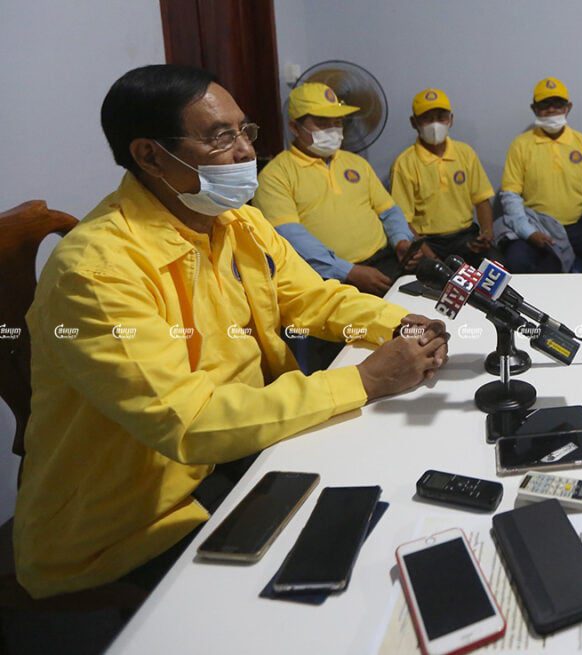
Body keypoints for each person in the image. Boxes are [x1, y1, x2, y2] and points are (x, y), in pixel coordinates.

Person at [14, 65, 449, 602]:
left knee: (390, 501)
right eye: (220, 137)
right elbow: (190, 422)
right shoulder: (97, 271)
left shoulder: (235, 220)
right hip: (144, 519)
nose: (246, 152)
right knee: (332, 587)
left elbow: (311, 299)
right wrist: (365, 380)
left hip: (240, 452)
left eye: (246, 131)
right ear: (150, 155)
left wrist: (399, 323)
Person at [254, 82, 432, 297]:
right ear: (294, 127)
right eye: (322, 122)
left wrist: (401, 241)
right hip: (328, 279)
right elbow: (290, 237)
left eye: (337, 122)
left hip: (387, 261)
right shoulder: (275, 176)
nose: (332, 129)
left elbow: (389, 210)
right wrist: (348, 271)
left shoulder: (357, 163)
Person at [494, 77, 582, 274]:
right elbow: (511, 196)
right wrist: (530, 233)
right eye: (545, 105)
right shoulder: (521, 145)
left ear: (568, 107)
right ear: (534, 108)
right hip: (536, 225)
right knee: (517, 260)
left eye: (558, 105)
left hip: (578, 226)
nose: (552, 110)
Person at [391, 88, 500, 267]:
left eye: (441, 117)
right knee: (430, 281)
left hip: (465, 236)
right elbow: (403, 221)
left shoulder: (465, 153)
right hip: (427, 242)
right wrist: (432, 259)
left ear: (451, 119)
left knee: (496, 265)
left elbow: (482, 200)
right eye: (427, 118)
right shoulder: (404, 163)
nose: (435, 125)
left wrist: (486, 234)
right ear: (414, 122)